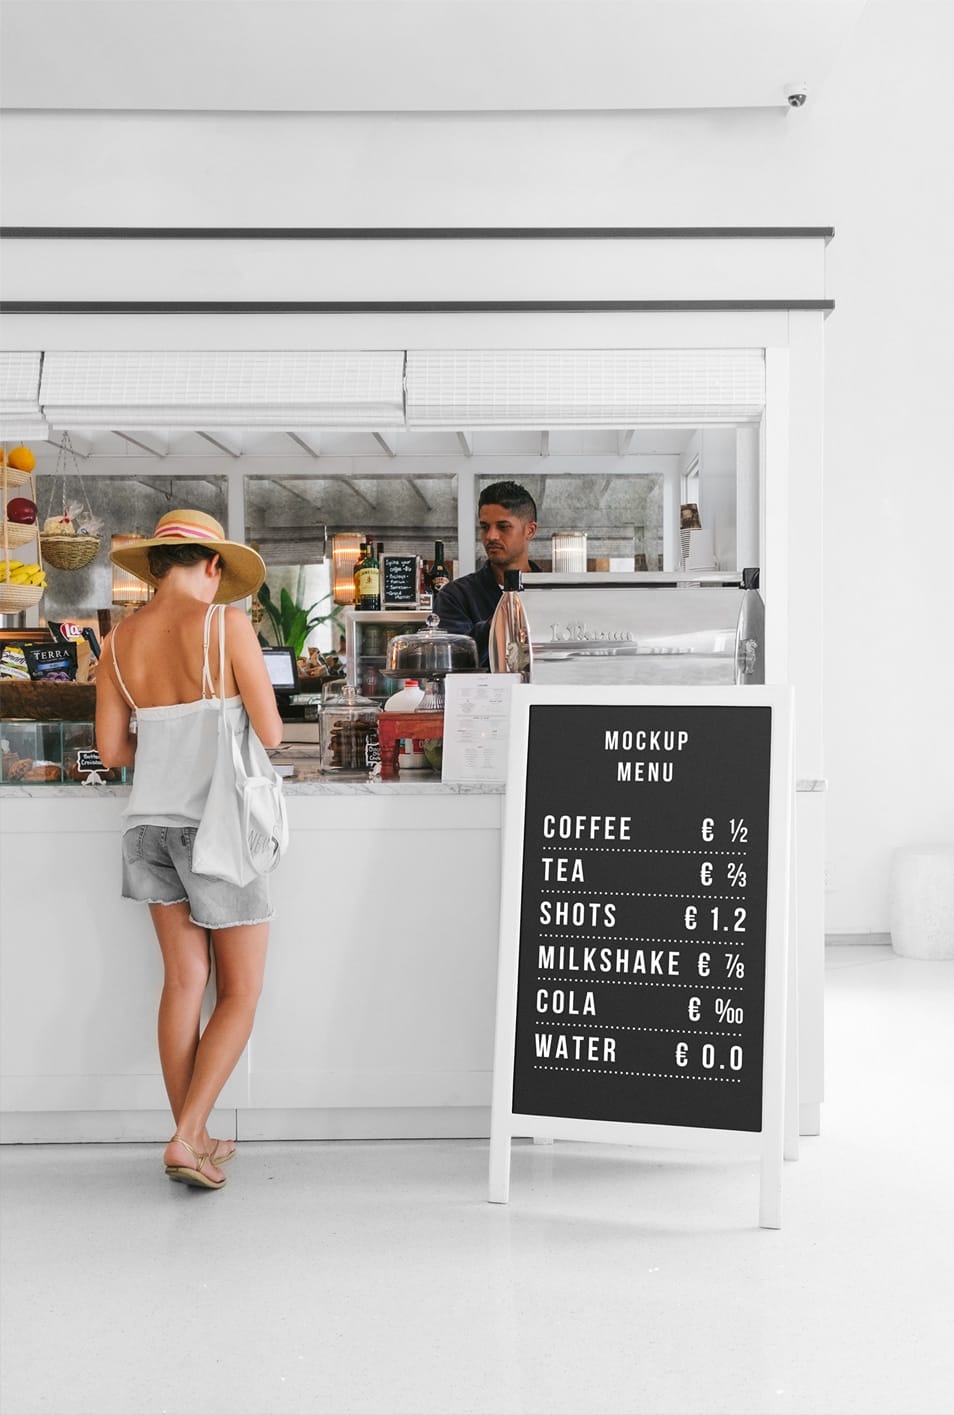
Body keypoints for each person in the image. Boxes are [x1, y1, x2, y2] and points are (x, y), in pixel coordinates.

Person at [95, 510, 283, 1191]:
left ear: (153, 566)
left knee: (183, 982)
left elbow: (115, 751)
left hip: (146, 828)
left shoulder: (117, 645)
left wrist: (168, 742)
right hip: (216, 831)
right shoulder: (225, 625)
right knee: (241, 989)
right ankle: (185, 1136)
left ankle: (194, 1136)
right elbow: (271, 730)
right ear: (211, 567)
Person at [433, 480, 543, 666]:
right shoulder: (455, 596)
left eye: (503, 526)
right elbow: (451, 661)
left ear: (530, 530)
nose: (491, 536)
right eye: (485, 527)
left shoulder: (552, 594)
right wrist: (500, 622)